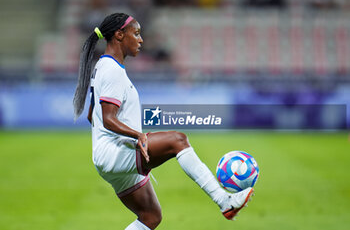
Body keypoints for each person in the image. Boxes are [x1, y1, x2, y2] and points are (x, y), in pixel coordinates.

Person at [73, 13, 254, 230]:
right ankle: (224, 201)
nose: (141, 40)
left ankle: (225, 202)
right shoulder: (111, 70)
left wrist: (112, 143)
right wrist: (137, 136)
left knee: (150, 216)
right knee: (178, 140)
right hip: (114, 154)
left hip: (108, 155)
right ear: (119, 35)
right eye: (136, 33)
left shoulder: (104, 67)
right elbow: (108, 118)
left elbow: (92, 115)